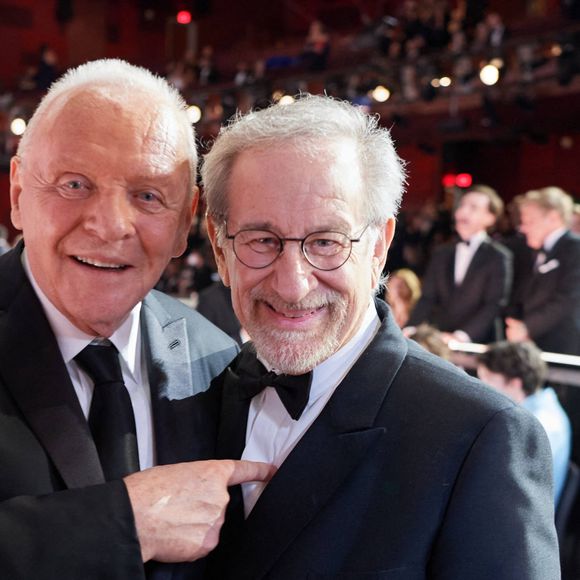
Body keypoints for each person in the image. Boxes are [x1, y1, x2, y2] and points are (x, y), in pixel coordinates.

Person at [200, 95, 559, 579]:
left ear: (379, 247)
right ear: (221, 250)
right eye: (261, 240)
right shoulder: (196, 392)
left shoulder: (480, 437)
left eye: (326, 242)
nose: (292, 283)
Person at [0, 58, 273, 579]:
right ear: (18, 194)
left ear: (183, 224)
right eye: (74, 184)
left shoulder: (217, 362)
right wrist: (123, 524)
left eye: (147, 196)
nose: (109, 226)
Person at [407, 185, 512, 344]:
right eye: (462, 205)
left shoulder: (498, 256)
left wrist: (461, 337)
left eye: (473, 207)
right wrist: (411, 328)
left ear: (490, 218)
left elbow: (494, 305)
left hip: (479, 344)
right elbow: (427, 298)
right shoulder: (441, 253)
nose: (463, 212)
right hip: (440, 340)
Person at [477, 341, 572, 505]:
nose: (479, 386)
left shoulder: (537, 423)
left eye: (488, 379)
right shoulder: (545, 405)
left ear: (515, 383)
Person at [506, 186, 580, 354]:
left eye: (529, 222)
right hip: (536, 344)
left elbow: (568, 298)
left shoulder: (575, 248)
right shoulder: (535, 252)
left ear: (553, 217)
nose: (523, 229)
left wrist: (527, 327)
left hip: (564, 347)